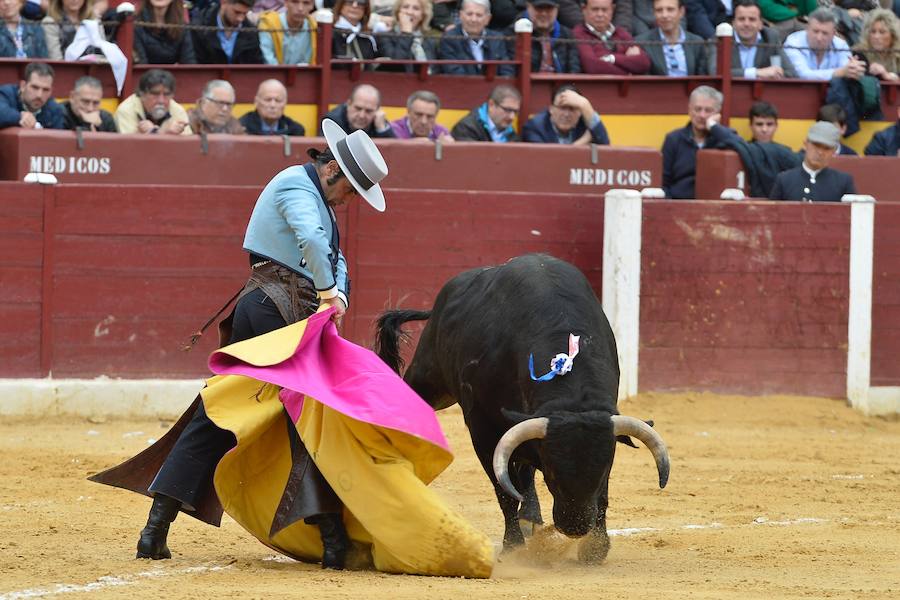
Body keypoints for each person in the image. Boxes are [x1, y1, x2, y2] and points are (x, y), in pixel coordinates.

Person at [123, 119, 389, 570]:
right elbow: (311, 240)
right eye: (350, 192)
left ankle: (156, 527)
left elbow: (334, 254)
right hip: (276, 310)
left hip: (269, 307)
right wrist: (327, 292)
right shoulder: (295, 187)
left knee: (224, 409)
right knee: (305, 415)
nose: (348, 203)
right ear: (333, 173)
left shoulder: (315, 197)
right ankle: (331, 539)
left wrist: (338, 291)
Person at [661, 85, 729, 199]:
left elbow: (741, 145)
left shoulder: (724, 139)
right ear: (689, 110)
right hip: (679, 205)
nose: (702, 115)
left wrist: (714, 128)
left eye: (708, 110)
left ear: (717, 114)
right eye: (697, 109)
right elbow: (662, 182)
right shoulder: (673, 139)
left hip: (716, 206)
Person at [769, 121, 857, 202]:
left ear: (833, 151)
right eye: (816, 145)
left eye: (826, 148)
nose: (820, 152)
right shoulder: (784, 180)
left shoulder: (843, 182)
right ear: (805, 143)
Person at [634, 0, 712, 76]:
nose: (664, 15)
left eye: (670, 9)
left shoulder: (697, 43)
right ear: (654, 13)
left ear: (681, 12)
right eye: (659, 10)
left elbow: (702, 80)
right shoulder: (642, 43)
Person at [438, 0, 515, 76]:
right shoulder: (449, 39)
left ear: (488, 19)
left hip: (495, 87)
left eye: (479, 15)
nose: (473, 19)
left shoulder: (497, 39)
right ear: (460, 15)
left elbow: (507, 72)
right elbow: (454, 72)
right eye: (469, 14)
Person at [783, 8, 862, 81]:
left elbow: (847, 70)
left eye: (825, 33)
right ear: (807, 29)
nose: (819, 38)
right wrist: (838, 73)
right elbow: (802, 75)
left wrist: (854, 69)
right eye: (815, 31)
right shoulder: (793, 42)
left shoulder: (841, 45)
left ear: (833, 33)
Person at [574, 0, 650, 75]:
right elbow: (593, 67)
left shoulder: (621, 33)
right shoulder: (579, 34)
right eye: (595, 9)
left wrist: (611, 58)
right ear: (584, 10)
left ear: (612, 9)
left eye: (604, 10)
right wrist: (629, 71)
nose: (600, 14)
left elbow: (644, 63)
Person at [522, 84, 610, 145]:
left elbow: (605, 145)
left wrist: (585, 104)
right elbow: (549, 161)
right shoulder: (534, 127)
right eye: (562, 108)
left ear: (580, 112)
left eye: (572, 109)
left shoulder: (584, 122)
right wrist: (583, 141)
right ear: (551, 109)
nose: (566, 114)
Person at [730, 0, 796, 79]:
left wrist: (775, 75)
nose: (746, 24)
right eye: (741, 19)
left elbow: (791, 74)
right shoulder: (721, 38)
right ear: (733, 23)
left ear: (760, 24)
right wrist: (757, 72)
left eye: (752, 19)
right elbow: (715, 71)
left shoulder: (771, 37)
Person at [114, 69, 192, 135]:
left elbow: (188, 147)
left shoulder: (177, 110)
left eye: (166, 94)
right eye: (155, 94)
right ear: (142, 94)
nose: (161, 101)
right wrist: (163, 132)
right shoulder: (125, 110)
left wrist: (155, 132)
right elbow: (126, 147)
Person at [516, 0, 581, 73]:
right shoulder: (515, 33)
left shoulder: (567, 35)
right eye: (539, 8)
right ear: (528, 7)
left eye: (549, 8)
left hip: (561, 83)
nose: (544, 13)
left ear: (557, 9)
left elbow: (574, 69)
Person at [192, 0, 264, 64]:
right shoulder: (199, 28)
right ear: (224, 2)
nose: (240, 19)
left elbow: (256, 66)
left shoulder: (251, 32)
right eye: (237, 12)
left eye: (245, 14)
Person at [376, 0, 439, 72]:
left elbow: (436, 70)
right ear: (398, 13)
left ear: (422, 15)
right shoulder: (385, 37)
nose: (410, 12)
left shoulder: (429, 41)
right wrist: (406, 33)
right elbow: (395, 66)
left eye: (416, 8)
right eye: (406, 7)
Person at [0, 62, 63, 129]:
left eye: (46, 90)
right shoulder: (6, 94)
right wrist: (20, 117)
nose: (39, 95)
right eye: (35, 87)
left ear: (51, 91)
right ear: (23, 86)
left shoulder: (55, 110)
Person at [319, 84, 396, 138]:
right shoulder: (332, 121)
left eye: (368, 111)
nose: (362, 115)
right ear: (348, 104)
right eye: (358, 108)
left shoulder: (378, 121)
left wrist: (381, 129)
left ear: (377, 111)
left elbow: (393, 152)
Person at [450, 83, 520, 142]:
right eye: (507, 110)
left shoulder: (512, 135)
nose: (512, 117)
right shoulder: (466, 128)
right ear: (491, 105)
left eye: (515, 112)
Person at [258, 0, 317, 64]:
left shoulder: (314, 27)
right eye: (295, 2)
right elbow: (268, 59)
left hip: (303, 73)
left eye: (306, 3)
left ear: (312, 5)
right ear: (286, 3)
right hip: (273, 73)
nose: (300, 8)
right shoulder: (269, 23)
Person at [240, 79, 305, 136]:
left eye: (278, 100)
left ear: (285, 103)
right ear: (256, 102)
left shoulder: (295, 131)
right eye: (268, 100)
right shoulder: (242, 127)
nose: (273, 105)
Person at [853, 8, 900, 81]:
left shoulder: (898, 54)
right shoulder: (859, 53)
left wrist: (887, 75)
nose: (876, 37)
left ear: (893, 35)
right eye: (873, 32)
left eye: (882, 32)